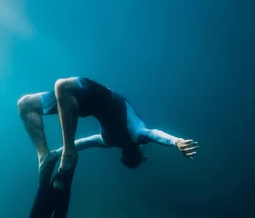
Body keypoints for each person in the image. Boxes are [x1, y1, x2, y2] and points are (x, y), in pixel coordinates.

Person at [17, 77, 198, 190]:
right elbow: (154, 135)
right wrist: (176, 142)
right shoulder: (119, 139)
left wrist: (176, 141)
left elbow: (154, 134)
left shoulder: (125, 138)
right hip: (85, 99)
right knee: (27, 103)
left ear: (138, 152)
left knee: (50, 91)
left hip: (88, 97)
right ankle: (44, 156)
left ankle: (66, 155)